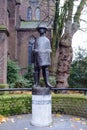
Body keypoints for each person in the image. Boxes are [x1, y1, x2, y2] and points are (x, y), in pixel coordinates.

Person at [33, 24, 52, 88]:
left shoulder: (47, 40)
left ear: (45, 30)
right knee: (36, 69)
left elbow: (49, 49)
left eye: (42, 29)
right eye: (40, 29)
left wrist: (46, 51)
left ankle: (47, 83)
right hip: (38, 56)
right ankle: (36, 83)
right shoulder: (37, 39)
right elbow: (34, 48)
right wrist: (35, 51)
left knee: (45, 69)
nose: (41, 30)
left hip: (45, 57)